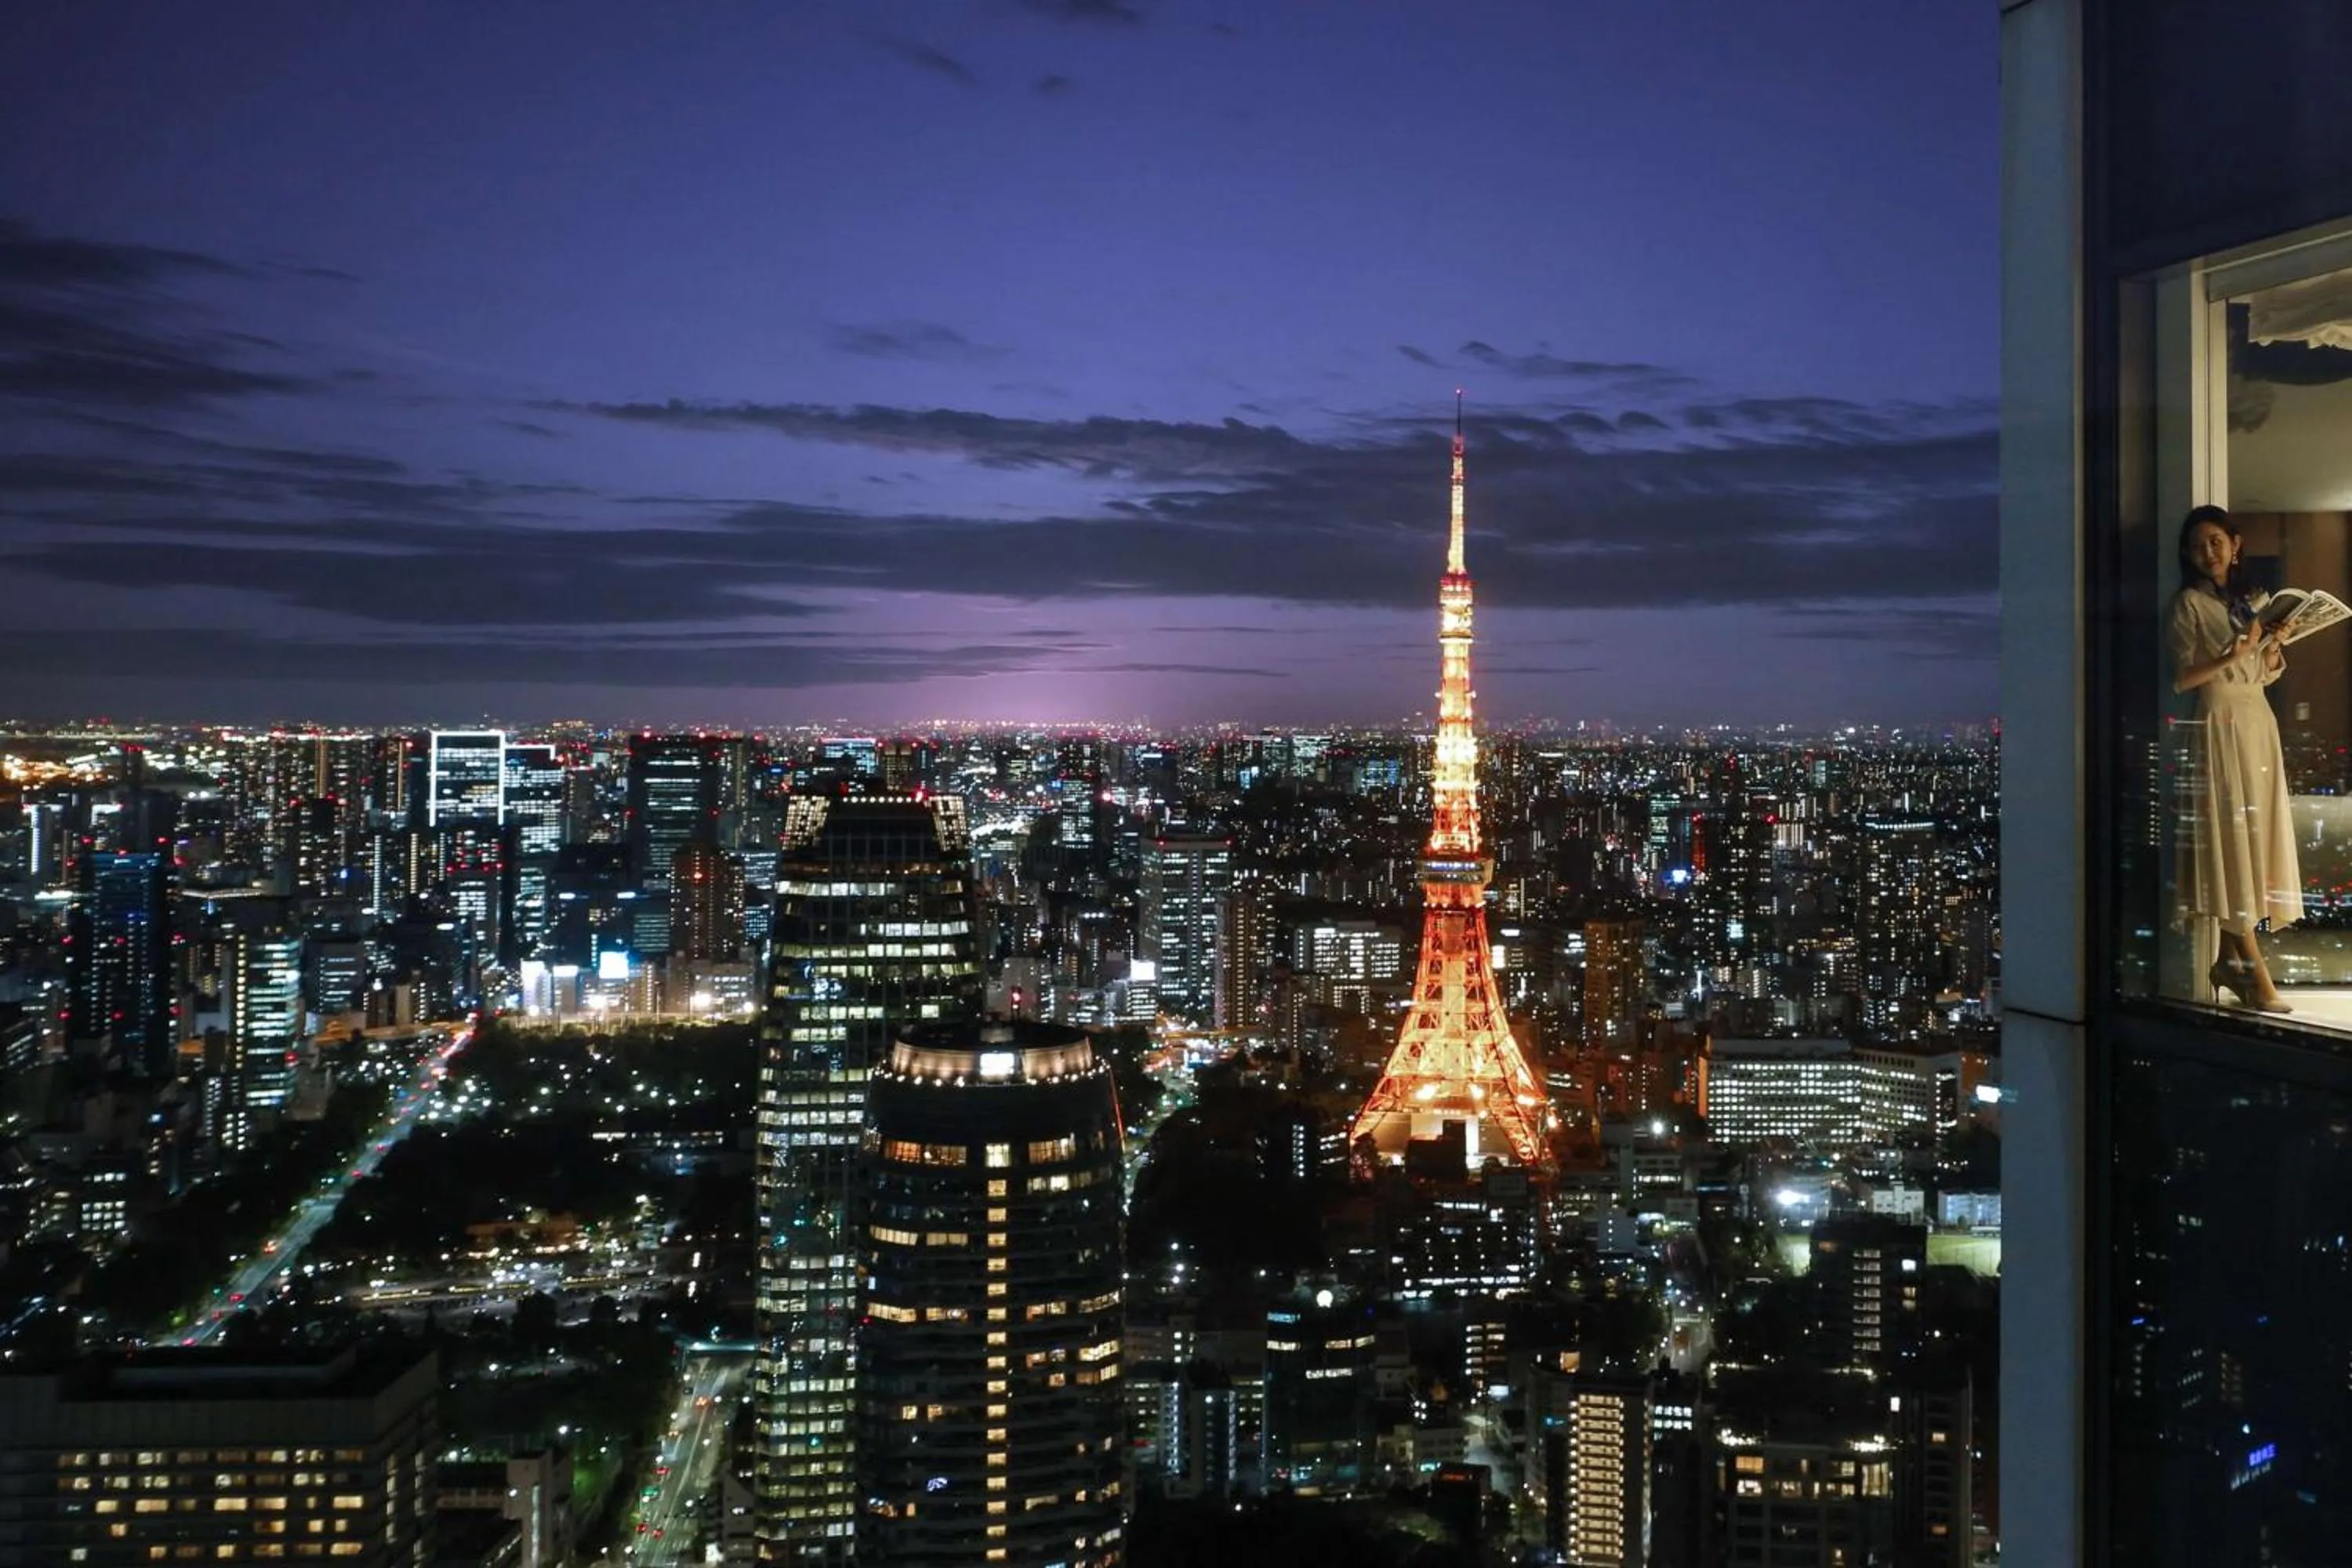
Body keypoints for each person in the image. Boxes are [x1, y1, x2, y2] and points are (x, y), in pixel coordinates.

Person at [2169, 504, 2303, 1011]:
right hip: (2219, 724)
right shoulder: (2188, 605)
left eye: (2216, 541)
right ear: (2189, 553)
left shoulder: (2249, 602)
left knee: (2253, 836)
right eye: (2199, 544)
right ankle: (2254, 975)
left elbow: (2263, 675)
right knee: (2231, 837)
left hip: (2255, 721)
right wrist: (2233, 654)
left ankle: (2230, 962)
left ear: (2235, 543)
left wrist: (2271, 648)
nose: (2209, 551)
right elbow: (2183, 677)